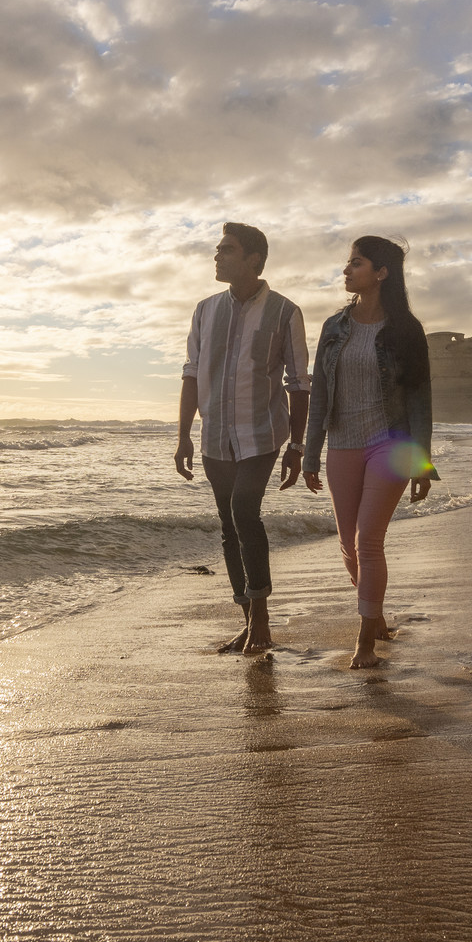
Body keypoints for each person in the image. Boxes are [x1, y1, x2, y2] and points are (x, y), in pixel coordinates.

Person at [176, 222, 310, 657]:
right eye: (217, 249)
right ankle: (247, 620)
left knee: (243, 511)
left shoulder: (285, 312)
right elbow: (192, 374)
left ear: (253, 259)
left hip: (262, 434)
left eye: (227, 250)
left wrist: (297, 446)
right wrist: (183, 436)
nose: (217, 256)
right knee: (228, 528)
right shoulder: (204, 310)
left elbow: (299, 383)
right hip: (214, 435)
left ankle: (263, 620)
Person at [301, 235, 435, 669]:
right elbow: (319, 393)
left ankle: (365, 641)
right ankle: (375, 616)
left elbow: (419, 400)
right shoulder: (333, 328)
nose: (346, 270)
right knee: (348, 545)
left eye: (356, 263)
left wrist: (422, 463)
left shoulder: (406, 332)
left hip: (389, 444)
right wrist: (308, 451)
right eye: (348, 263)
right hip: (341, 443)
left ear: (380, 273)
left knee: (368, 540)